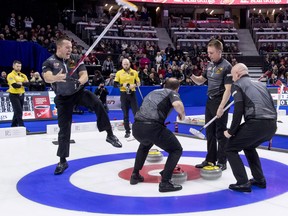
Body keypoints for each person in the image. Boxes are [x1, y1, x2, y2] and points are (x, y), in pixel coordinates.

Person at [42, 36, 122, 175]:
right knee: (64, 129)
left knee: (98, 103)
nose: (70, 50)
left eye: (71, 47)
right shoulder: (49, 62)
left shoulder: (75, 58)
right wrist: (57, 78)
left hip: (78, 92)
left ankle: (109, 135)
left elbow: (84, 75)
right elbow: (47, 77)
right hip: (63, 99)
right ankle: (62, 161)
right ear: (59, 47)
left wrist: (79, 82)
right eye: (67, 47)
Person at [224, 63, 277, 192]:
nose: (232, 78)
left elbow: (238, 110)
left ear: (237, 74)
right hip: (271, 125)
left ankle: (242, 182)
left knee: (230, 148)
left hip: (256, 123)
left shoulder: (238, 85)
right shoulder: (261, 85)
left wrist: (231, 131)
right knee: (249, 146)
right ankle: (259, 179)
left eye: (232, 75)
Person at [130, 78, 185, 192]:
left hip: (137, 127)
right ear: (177, 88)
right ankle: (165, 182)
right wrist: (182, 114)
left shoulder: (153, 92)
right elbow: (177, 104)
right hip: (152, 127)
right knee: (176, 149)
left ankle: (135, 174)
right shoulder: (172, 92)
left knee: (145, 145)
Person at [191, 39, 232, 171]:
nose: (209, 55)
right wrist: (191, 76)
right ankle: (210, 159)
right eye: (208, 52)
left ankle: (222, 161)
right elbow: (200, 81)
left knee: (220, 132)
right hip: (209, 101)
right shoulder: (209, 65)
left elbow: (228, 89)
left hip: (220, 101)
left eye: (211, 53)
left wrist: (221, 107)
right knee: (210, 132)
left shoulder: (227, 67)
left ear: (219, 52)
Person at [114, 58, 140, 138]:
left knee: (136, 113)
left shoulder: (134, 72)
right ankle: (127, 131)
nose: (126, 65)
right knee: (125, 113)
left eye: (127, 64)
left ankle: (137, 131)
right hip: (124, 94)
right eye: (124, 64)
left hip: (132, 93)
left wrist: (134, 85)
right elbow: (115, 84)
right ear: (122, 65)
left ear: (129, 64)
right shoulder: (119, 73)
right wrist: (122, 85)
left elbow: (138, 83)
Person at [6, 60, 29, 130]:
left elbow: (28, 84)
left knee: (17, 111)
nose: (19, 68)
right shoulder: (10, 75)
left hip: (22, 94)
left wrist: (20, 83)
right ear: (13, 66)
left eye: (20, 66)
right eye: (17, 66)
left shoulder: (23, 75)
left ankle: (13, 126)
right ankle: (22, 127)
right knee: (19, 111)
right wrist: (22, 83)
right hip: (13, 95)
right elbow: (15, 85)